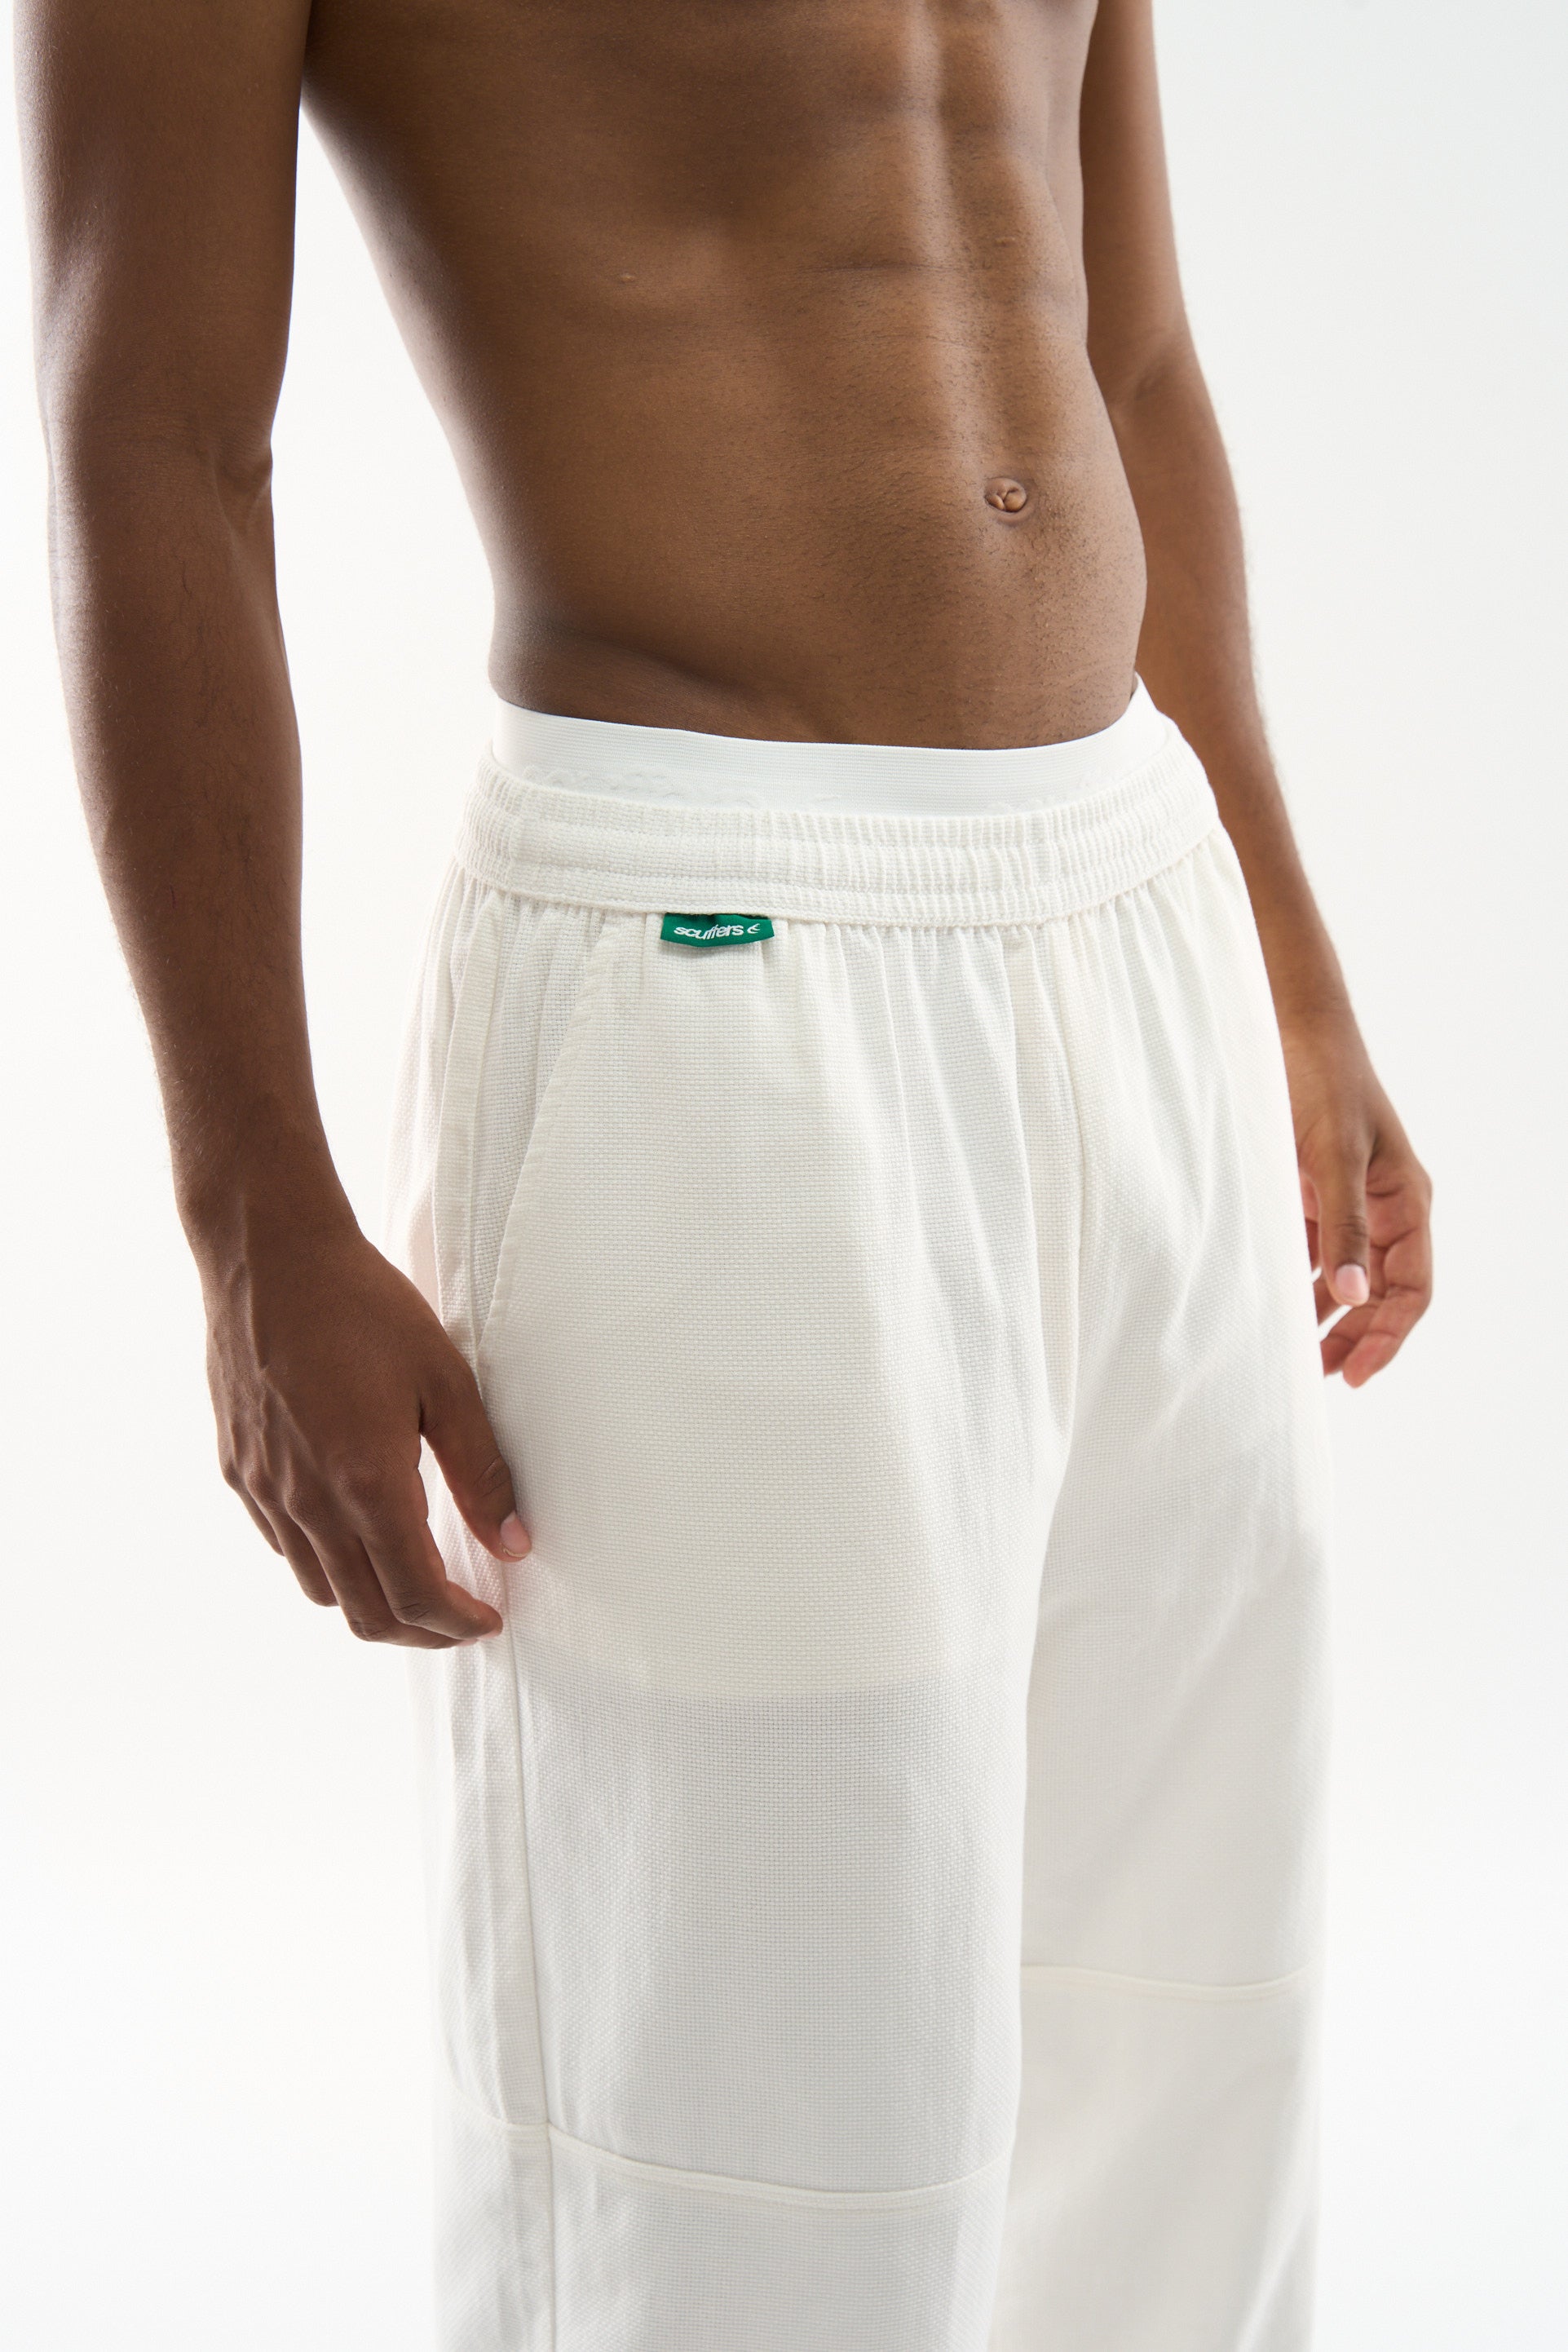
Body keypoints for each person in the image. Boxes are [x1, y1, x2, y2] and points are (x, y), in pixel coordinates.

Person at [17, 2, 1432, 2345]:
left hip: (1137, 905)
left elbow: (1135, 348)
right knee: (745, 2152)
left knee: (1176, 2065)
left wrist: (1283, 960)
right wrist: (248, 1203)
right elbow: (150, 436)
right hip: (709, 945)